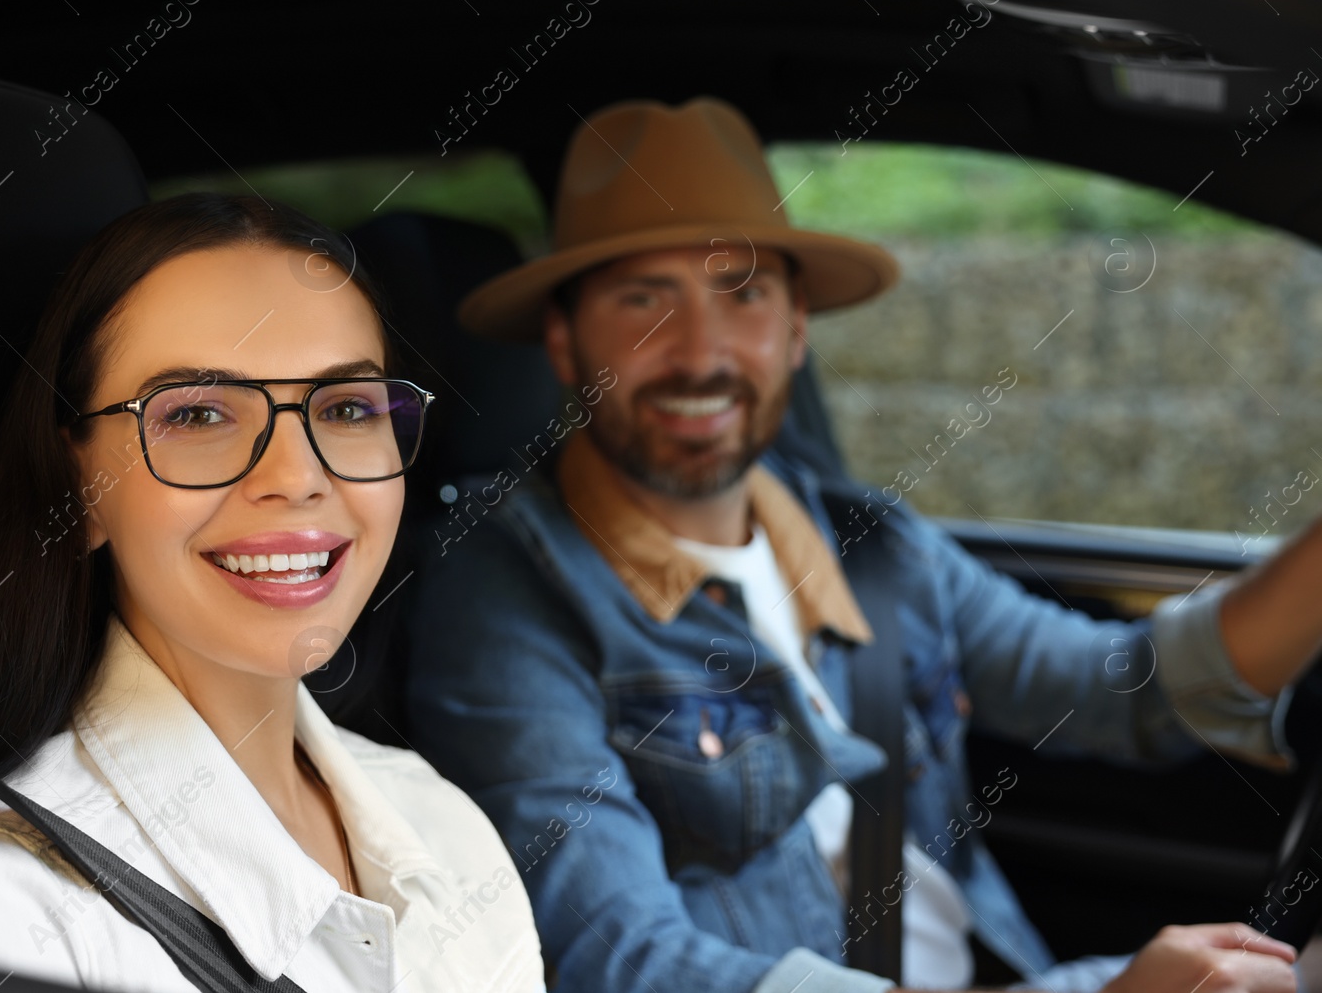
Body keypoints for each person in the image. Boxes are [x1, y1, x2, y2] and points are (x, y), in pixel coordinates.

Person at [403, 98, 1322, 993]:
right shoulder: (509, 589)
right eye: (643, 299)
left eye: (744, 293)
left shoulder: (868, 541)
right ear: (563, 345)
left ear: (796, 330)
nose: (699, 350)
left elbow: (1129, 689)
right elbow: (622, 955)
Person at [0, 193, 544, 993]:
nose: (297, 477)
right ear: (77, 487)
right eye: (198, 413)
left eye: (348, 406)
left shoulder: (444, 824)